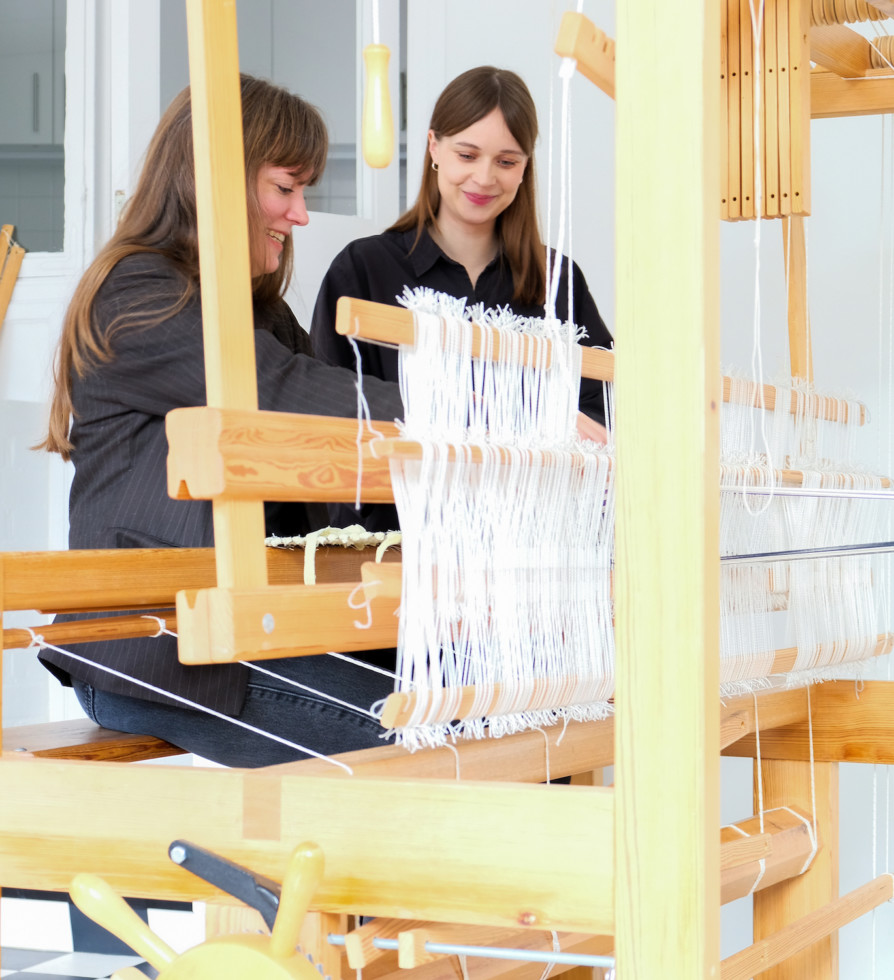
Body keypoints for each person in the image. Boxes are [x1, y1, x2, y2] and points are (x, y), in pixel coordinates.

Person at [38, 75, 403, 768]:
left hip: (240, 636)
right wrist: (468, 410)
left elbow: (331, 438)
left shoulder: (257, 311)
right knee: (426, 739)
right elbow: (277, 389)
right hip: (159, 657)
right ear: (219, 179)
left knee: (475, 712)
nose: (300, 215)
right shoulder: (136, 294)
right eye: (285, 187)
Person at [310, 66, 613, 530]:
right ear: (433, 147)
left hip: (534, 548)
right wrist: (534, 418)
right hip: (396, 546)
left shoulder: (559, 282)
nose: (484, 178)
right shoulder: (363, 270)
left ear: (526, 167)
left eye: (507, 162)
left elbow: (601, 415)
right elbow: (333, 416)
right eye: (467, 154)